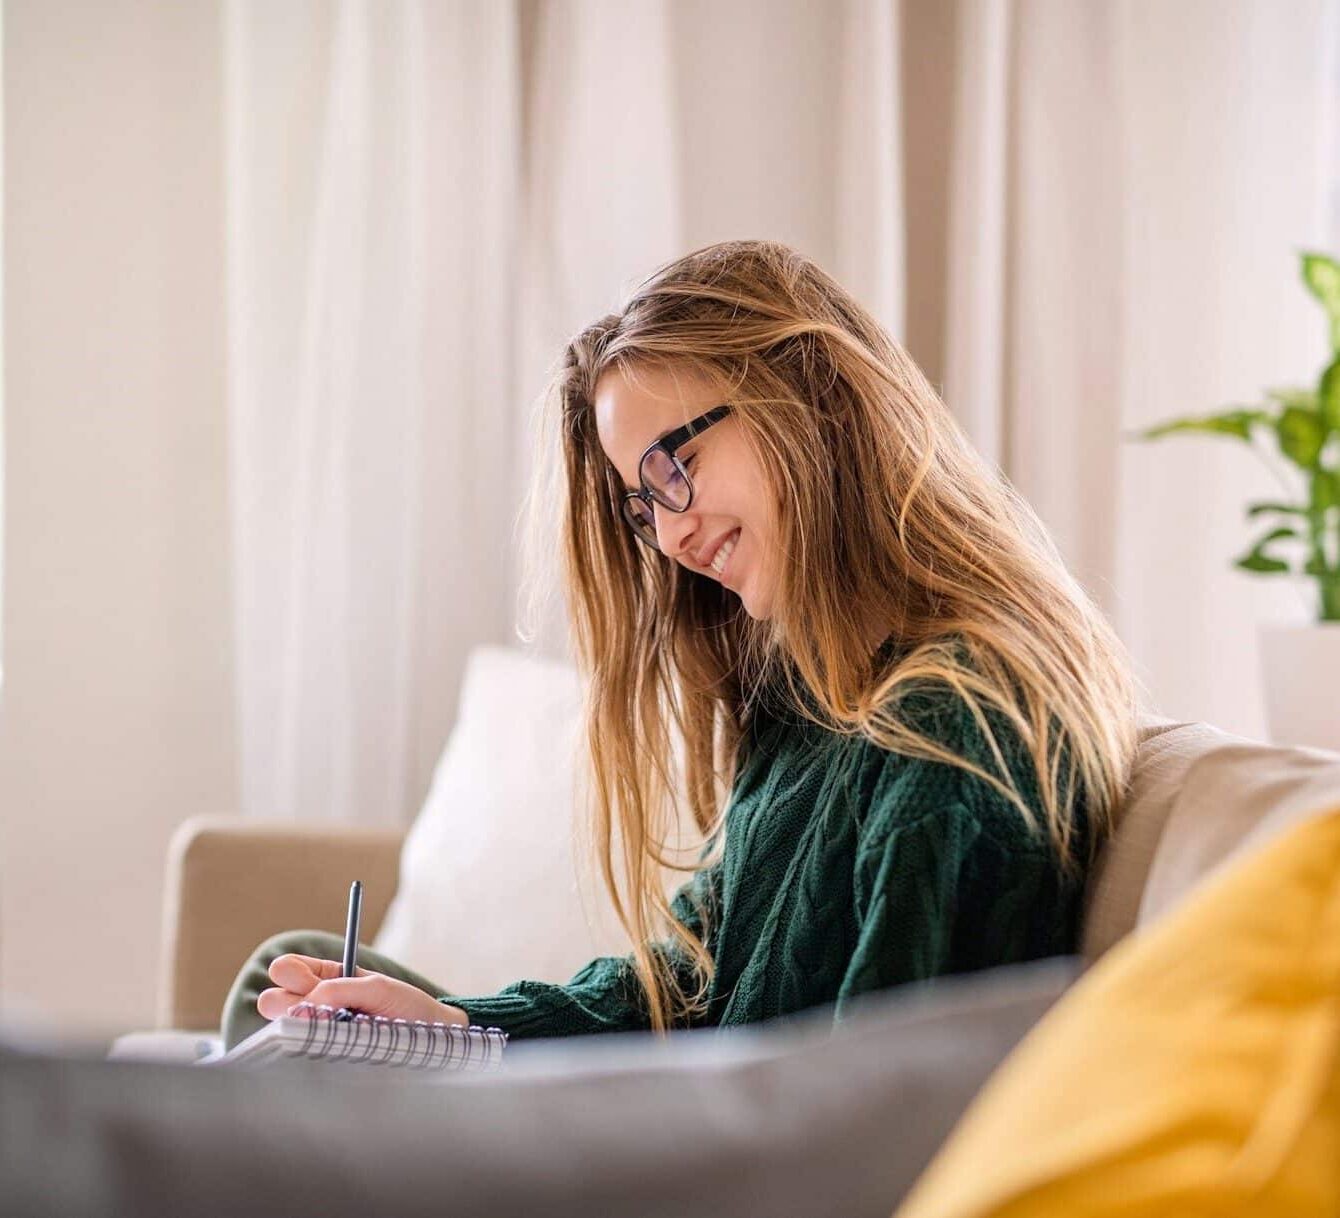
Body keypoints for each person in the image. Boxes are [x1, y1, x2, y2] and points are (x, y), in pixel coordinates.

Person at [221, 238, 1142, 1051]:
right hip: (700, 1116)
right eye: (640, 502)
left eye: (675, 465)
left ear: (812, 397)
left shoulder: (954, 726)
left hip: (725, 1160)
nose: (667, 538)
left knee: (302, 1038)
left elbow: (876, 1119)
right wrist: (464, 1029)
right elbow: (692, 985)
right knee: (296, 982)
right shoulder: (811, 703)